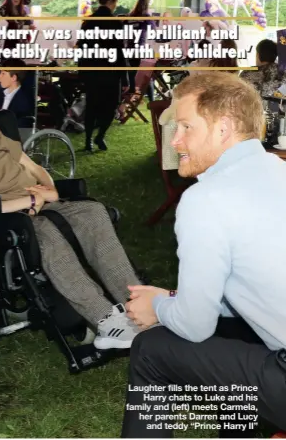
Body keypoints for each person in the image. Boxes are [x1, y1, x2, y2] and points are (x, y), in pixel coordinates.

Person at [121, 73, 286, 437]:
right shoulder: (279, 170)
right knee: (237, 338)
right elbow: (245, 291)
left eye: (185, 127)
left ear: (223, 128)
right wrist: (175, 299)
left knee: (151, 349)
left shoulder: (206, 198)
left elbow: (196, 326)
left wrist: (158, 308)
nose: (175, 141)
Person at [0, 79, 143, 349]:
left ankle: (138, 306)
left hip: (38, 202)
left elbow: (33, 167)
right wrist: (28, 200)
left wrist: (49, 190)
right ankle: (105, 319)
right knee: (47, 233)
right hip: (7, 218)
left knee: (94, 212)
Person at [77, 0, 129, 152]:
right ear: (113, 2)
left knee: (91, 107)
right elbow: (120, 53)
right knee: (110, 107)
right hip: (111, 73)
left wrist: (82, 72)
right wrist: (125, 77)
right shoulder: (116, 23)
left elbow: (82, 50)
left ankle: (88, 141)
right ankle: (100, 136)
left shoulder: (87, 22)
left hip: (92, 72)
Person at [0, 58, 35, 128]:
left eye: (3, 74)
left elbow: (18, 127)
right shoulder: (4, 93)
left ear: (13, 78)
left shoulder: (24, 102)